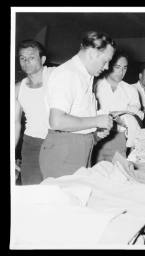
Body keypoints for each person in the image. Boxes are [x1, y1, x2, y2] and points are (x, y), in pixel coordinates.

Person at [39, 31, 115, 179]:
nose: (107, 67)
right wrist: (96, 121)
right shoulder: (68, 74)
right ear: (92, 53)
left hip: (78, 149)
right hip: (64, 154)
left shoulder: (85, 75)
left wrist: (95, 133)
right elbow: (57, 121)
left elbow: (78, 117)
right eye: (106, 61)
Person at [15, 40, 55, 184]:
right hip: (31, 144)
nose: (26, 62)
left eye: (31, 57)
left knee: (58, 193)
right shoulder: (18, 88)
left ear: (42, 59)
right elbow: (14, 124)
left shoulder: (56, 77)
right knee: (31, 190)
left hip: (57, 142)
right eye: (22, 58)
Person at [93, 51, 143, 162]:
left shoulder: (130, 90)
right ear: (108, 66)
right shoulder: (96, 85)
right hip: (95, 137)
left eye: (125, 68)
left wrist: (123, 121)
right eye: (118, 67)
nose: (122, 72)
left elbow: (138, 117)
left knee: (118, 174)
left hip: (118, 138)